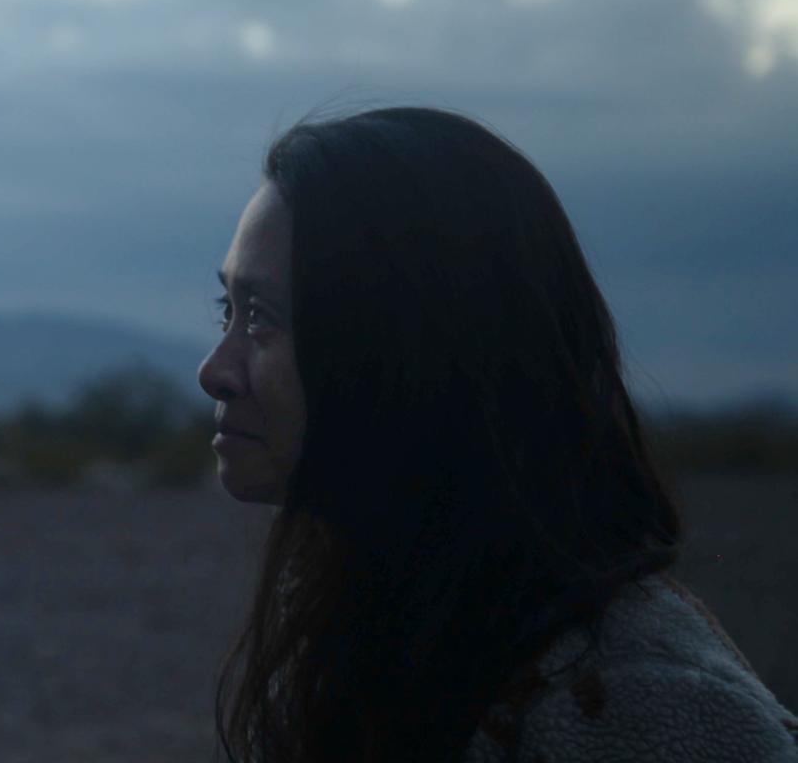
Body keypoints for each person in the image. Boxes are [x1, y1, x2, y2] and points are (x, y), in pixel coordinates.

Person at [197, 108, 798, 762]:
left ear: (411, 344)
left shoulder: (638, 706)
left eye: (261, 316)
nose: (215, 372)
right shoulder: (364, 629)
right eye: (228, 309)